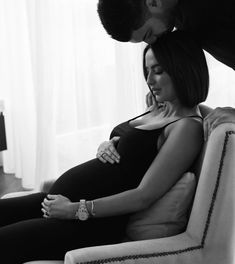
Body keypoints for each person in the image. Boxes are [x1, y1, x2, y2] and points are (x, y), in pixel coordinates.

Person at [0, 31, 208, 263]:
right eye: (147, 71)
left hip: (87, 226)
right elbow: (134, 150)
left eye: (158, 71)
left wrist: (76, 210)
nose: (149, 81)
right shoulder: (160, 108)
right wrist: (108, 143)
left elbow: (143, 196)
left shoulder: (187, 128)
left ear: (183, 69)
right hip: (59, 204)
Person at [97, 0, 235, 141]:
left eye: (148, 34)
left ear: (153, 2)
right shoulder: (179, 17)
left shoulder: (207, 14)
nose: (152, 42)